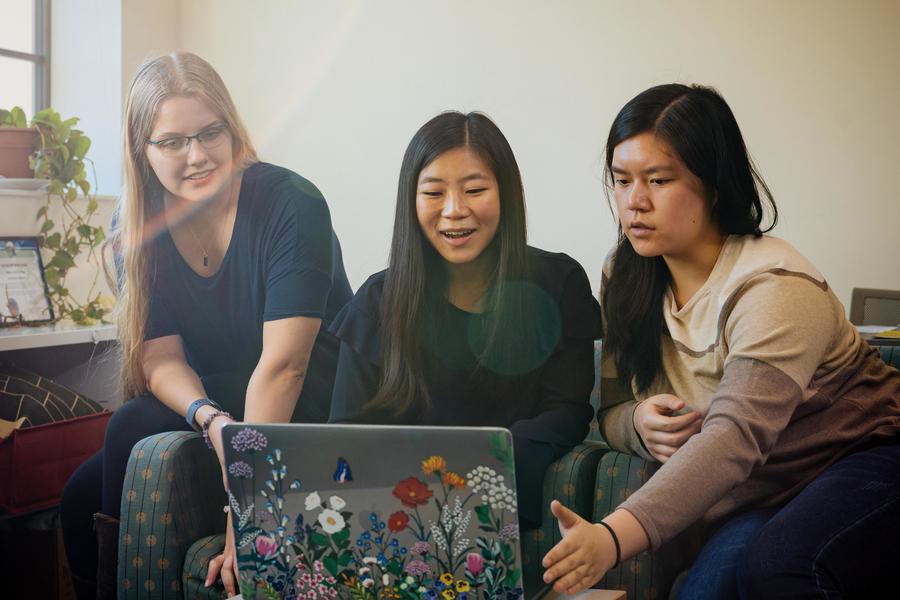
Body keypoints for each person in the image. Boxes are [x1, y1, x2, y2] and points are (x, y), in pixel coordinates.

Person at [542, 83, 900, 599]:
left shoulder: (773, 286)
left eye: (658, 180)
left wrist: (611, 537)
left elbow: (734, 438)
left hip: (864, 458)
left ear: (712, 184)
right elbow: (613, 410)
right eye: (621, 181)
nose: (634, 202)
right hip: (765, 490)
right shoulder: (625, 274)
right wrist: (639, 422)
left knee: (782, 569)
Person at [60, 52, 352, 599]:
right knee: (79, 496)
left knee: (126, 428)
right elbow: (161, 359)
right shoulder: (137, 224)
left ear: (231, 128)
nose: (196, 156)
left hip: (310, 397)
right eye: (171, 142)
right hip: (221, 396)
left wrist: (247, 514)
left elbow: (285, 366)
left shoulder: (292, 201)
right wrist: (212, 422)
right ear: (142, 151)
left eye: (210, 133)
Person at [328, 111, 601, 528]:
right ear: (411, 201)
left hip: (509, 513)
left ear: (506, 194)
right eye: (433, 193)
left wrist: (485, 469)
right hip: (395, 524)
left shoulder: (557, 284)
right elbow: (345, 437)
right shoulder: (378, 303)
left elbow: (566, 411)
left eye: (475, 189)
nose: (454, 211)